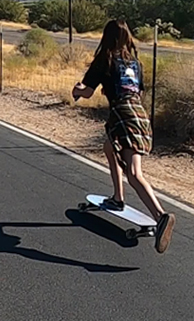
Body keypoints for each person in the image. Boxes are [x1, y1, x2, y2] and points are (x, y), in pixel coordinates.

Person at [72, 19, 176, 254]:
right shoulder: (135, 62)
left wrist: (77, 90)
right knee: (110, 148)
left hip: (123, 114)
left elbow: (87, 93)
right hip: (139, 113)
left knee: (134, 172)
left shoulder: (104, 59)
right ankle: (118, 197)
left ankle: (161, 217)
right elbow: (138, 91)